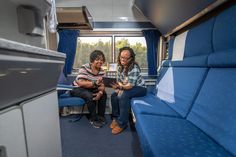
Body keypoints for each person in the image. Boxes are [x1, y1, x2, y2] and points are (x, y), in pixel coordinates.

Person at [110, 47, 147, 135]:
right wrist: (119, 87)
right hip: (125, 87)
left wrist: (121, 88)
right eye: (121, 57)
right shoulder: (119, 67)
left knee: (124, 95)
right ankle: (115, 118)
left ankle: (122, 124)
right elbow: (119, 80)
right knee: (113, 95)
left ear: (131, 58)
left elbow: (130, 85)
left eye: (126, 58)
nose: (123, 59)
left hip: (140, 88)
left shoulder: (134, 67)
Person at [70, 50, 107, 128]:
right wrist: (95, 83)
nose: (100, 61)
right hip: (77, 88)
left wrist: (100, 93)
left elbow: (102, 86)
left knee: (104, 94)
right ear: (92, 60)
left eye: (102, 60)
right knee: (89, 95)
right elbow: (80, 82)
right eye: (97, 59)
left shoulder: (102, 71)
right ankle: (93, 119)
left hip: (90, 88)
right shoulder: (85, 67)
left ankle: (101, 116)